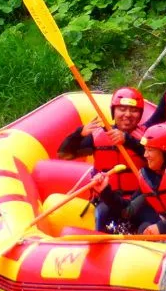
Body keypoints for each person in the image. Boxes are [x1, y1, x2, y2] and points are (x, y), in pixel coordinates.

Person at [93, 123, 166, 236]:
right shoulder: (149, 177)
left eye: (150, 150)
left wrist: (161, 227)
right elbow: (128, 211)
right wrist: (105, 191)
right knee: (144, 227)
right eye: (145, 149)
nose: (145, 155)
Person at [58, 87, 146, 232]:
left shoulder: (147, 136)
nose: (127, 115)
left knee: (144, 223)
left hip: (138, 199)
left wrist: (128, 140)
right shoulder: (98, 135)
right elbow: (64, 154)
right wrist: (78, 134)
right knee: (102, 215)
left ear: (140, 114)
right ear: (113, 112)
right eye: (122, 109)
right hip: (107, 198)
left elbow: (159, 163)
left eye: (134, 110)